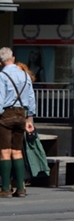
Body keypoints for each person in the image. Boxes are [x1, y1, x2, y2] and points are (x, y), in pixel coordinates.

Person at [0, 46, 37, 197]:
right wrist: (29, 119)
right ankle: (21, 187)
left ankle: (5, 188)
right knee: (17, 151)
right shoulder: (25, 75)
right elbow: (31, 99)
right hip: (21, 114)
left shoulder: (2, 76)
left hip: (6, 115)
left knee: (4, 151)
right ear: (13, 59)